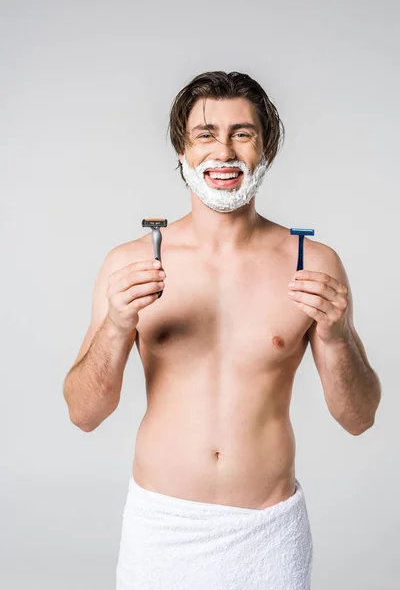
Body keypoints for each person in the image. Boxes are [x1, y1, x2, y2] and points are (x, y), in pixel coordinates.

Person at [63, 71, 381, 590]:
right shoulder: (130, 261)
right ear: (182, 152)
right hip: (162, 528)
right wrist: (118, 325)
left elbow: (359, 417)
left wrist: (338, 334)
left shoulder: (313, 263)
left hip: (269, 532)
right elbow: (83, 413)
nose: (224, 151)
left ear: (266, 148)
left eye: (243, 133)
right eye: (205, 134)